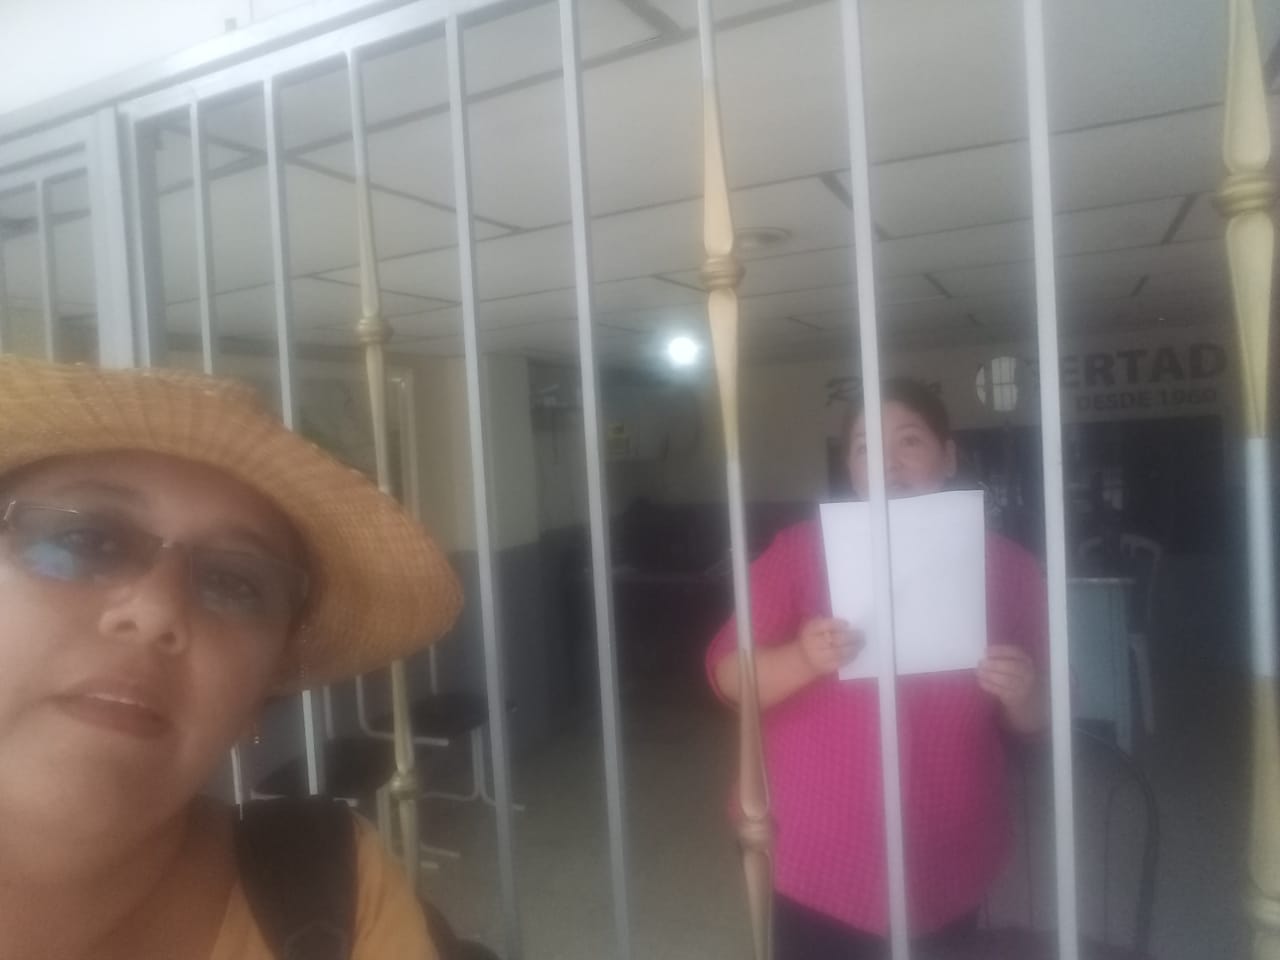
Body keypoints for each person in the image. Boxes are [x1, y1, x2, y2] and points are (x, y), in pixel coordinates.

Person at [0, 356, 463, 960]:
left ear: (257, 699)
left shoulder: (337, 896)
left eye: (232, 582)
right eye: (86, 540)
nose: (157, 612)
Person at [706, 378, 1048, 959]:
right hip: (811, 854)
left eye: (909, 441)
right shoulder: (800, 551)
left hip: (950, 854)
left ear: (948, 456)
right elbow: (727, 676)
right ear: (851, 468)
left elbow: (1047, 710)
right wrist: (805, 658)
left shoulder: (1009, 566)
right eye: (866, 447)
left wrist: (1023, 692)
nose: (887, 464)